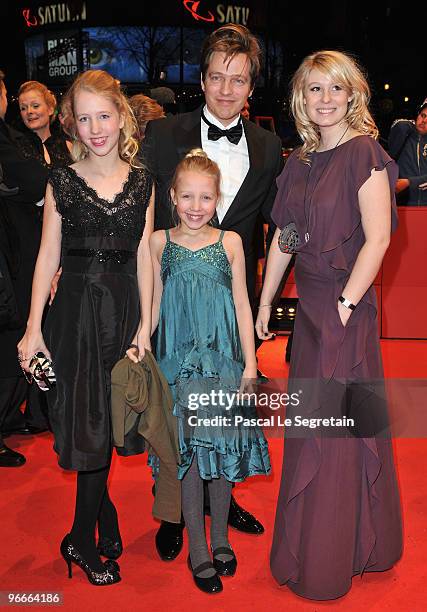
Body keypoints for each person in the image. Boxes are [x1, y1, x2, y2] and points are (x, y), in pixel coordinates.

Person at [256, 50, 403, 600]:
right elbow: (286, 236)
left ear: (352, 96)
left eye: (335, 89)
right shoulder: (299, 161)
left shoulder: (364, 152)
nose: (325, 99)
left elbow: (380, 238)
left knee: (336, 434)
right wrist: (267, 298)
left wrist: (344, 304)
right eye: (314, 89)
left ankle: (330, 557)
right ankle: (340, 542)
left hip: (345, 308)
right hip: (311, 314)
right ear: (301, 97)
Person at [142, 23, 283, 558]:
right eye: (217, 77)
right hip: (174, 305)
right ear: (202, 79)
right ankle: (174, 510)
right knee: (174, 416)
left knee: (222, 418)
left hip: (227, 313)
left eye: (239, 80)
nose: (226, 90)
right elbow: (143, 219)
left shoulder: (269, 147)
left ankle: (220, 506)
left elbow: (276, 221)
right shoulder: (163, 135)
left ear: (252, 88)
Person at [18, 69, 154, 585]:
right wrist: (33, 329)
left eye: (104, 116)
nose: (96, 128)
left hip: (121, 312)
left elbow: (143, 254)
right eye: (84, 118)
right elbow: (46, 255)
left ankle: (104, 515)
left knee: (112, 421)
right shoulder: (62, 179)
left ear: (122, 119)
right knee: (90, 423)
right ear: (71, 124)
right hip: (74, 312)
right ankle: (80, 538)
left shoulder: (143, 180)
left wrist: (145, 325)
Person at [150, 149, 270, 594]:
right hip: (178, 367)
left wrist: (251, 363)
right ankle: (197, 548)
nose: (196, 207)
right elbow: (154, 302)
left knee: (218, 457)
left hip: (223, 363)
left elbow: (242, 303)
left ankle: (220, 538)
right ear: (173, 197)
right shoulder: (160, 243)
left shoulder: (232, 242)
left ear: (217, 198)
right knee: (189, 460)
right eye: (187, 197)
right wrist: (142, 338)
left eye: (205, 197)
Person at [0, 69, 48, 467]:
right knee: (13, 332)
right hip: (12, 258)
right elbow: (34, 181)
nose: (29, 111)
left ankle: (31, 412)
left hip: (25, 254)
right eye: (24, 104)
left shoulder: (22, 140)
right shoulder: (13, 141)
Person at [17, 80, 72, 168]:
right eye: (23, 108)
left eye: (35, 106)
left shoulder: (68, 147)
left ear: (50, 109)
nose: (29, 111)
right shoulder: (16, 148)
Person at [388, 98, 427, 205]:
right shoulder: (405, 132)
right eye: (423, 115)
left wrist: (409, 182)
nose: (424, 121)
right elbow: (400, 125)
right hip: (403, 205)